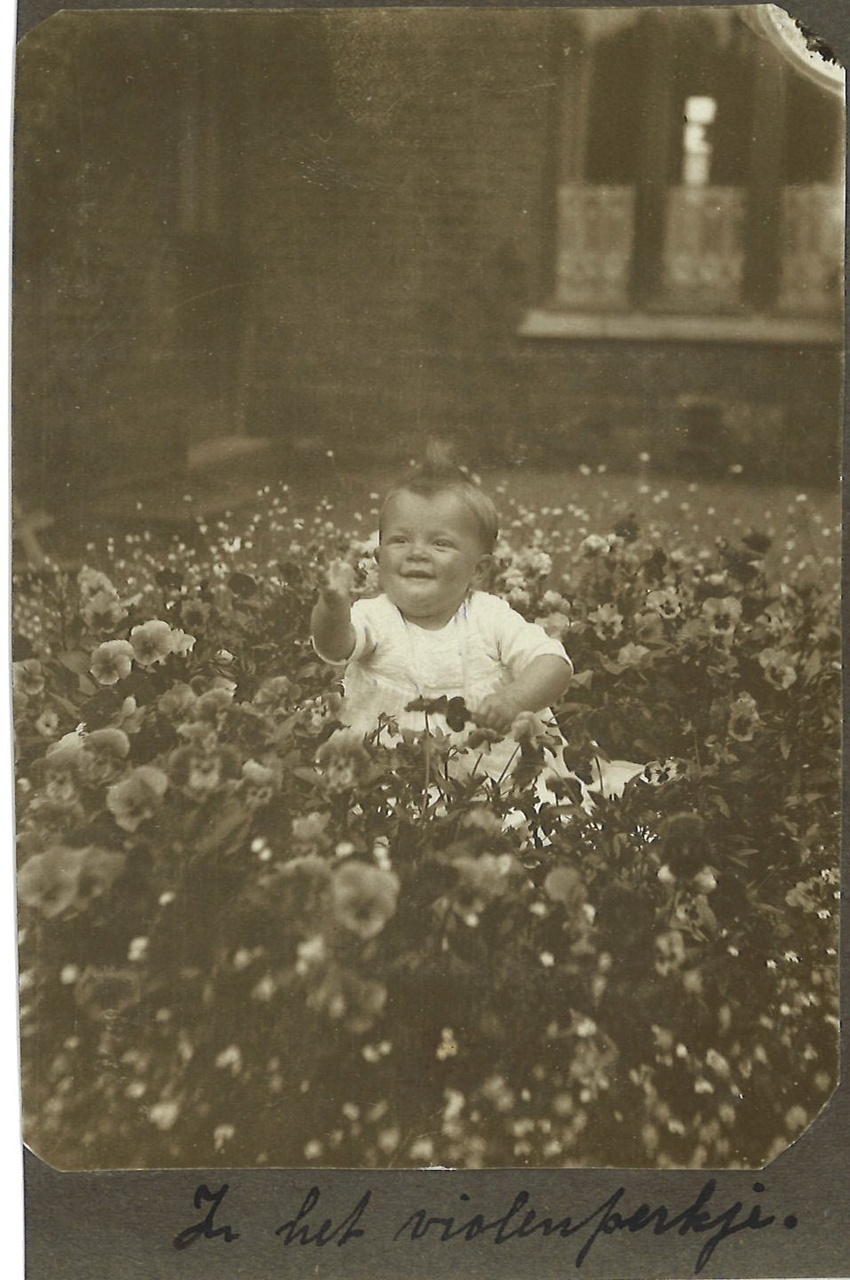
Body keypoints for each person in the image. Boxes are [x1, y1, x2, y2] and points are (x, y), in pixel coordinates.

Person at [310, 447, 576, 791]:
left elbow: (553, 662)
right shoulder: (375, 615)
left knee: (515, 815)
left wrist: (514, 699)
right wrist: (333, 606)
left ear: (478, 570)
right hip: (390, 774)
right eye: (400, 539)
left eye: (440, 543)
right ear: (378, 557)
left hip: (493, 775)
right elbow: (334, 647)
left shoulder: (489, 616)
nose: (416, 552)